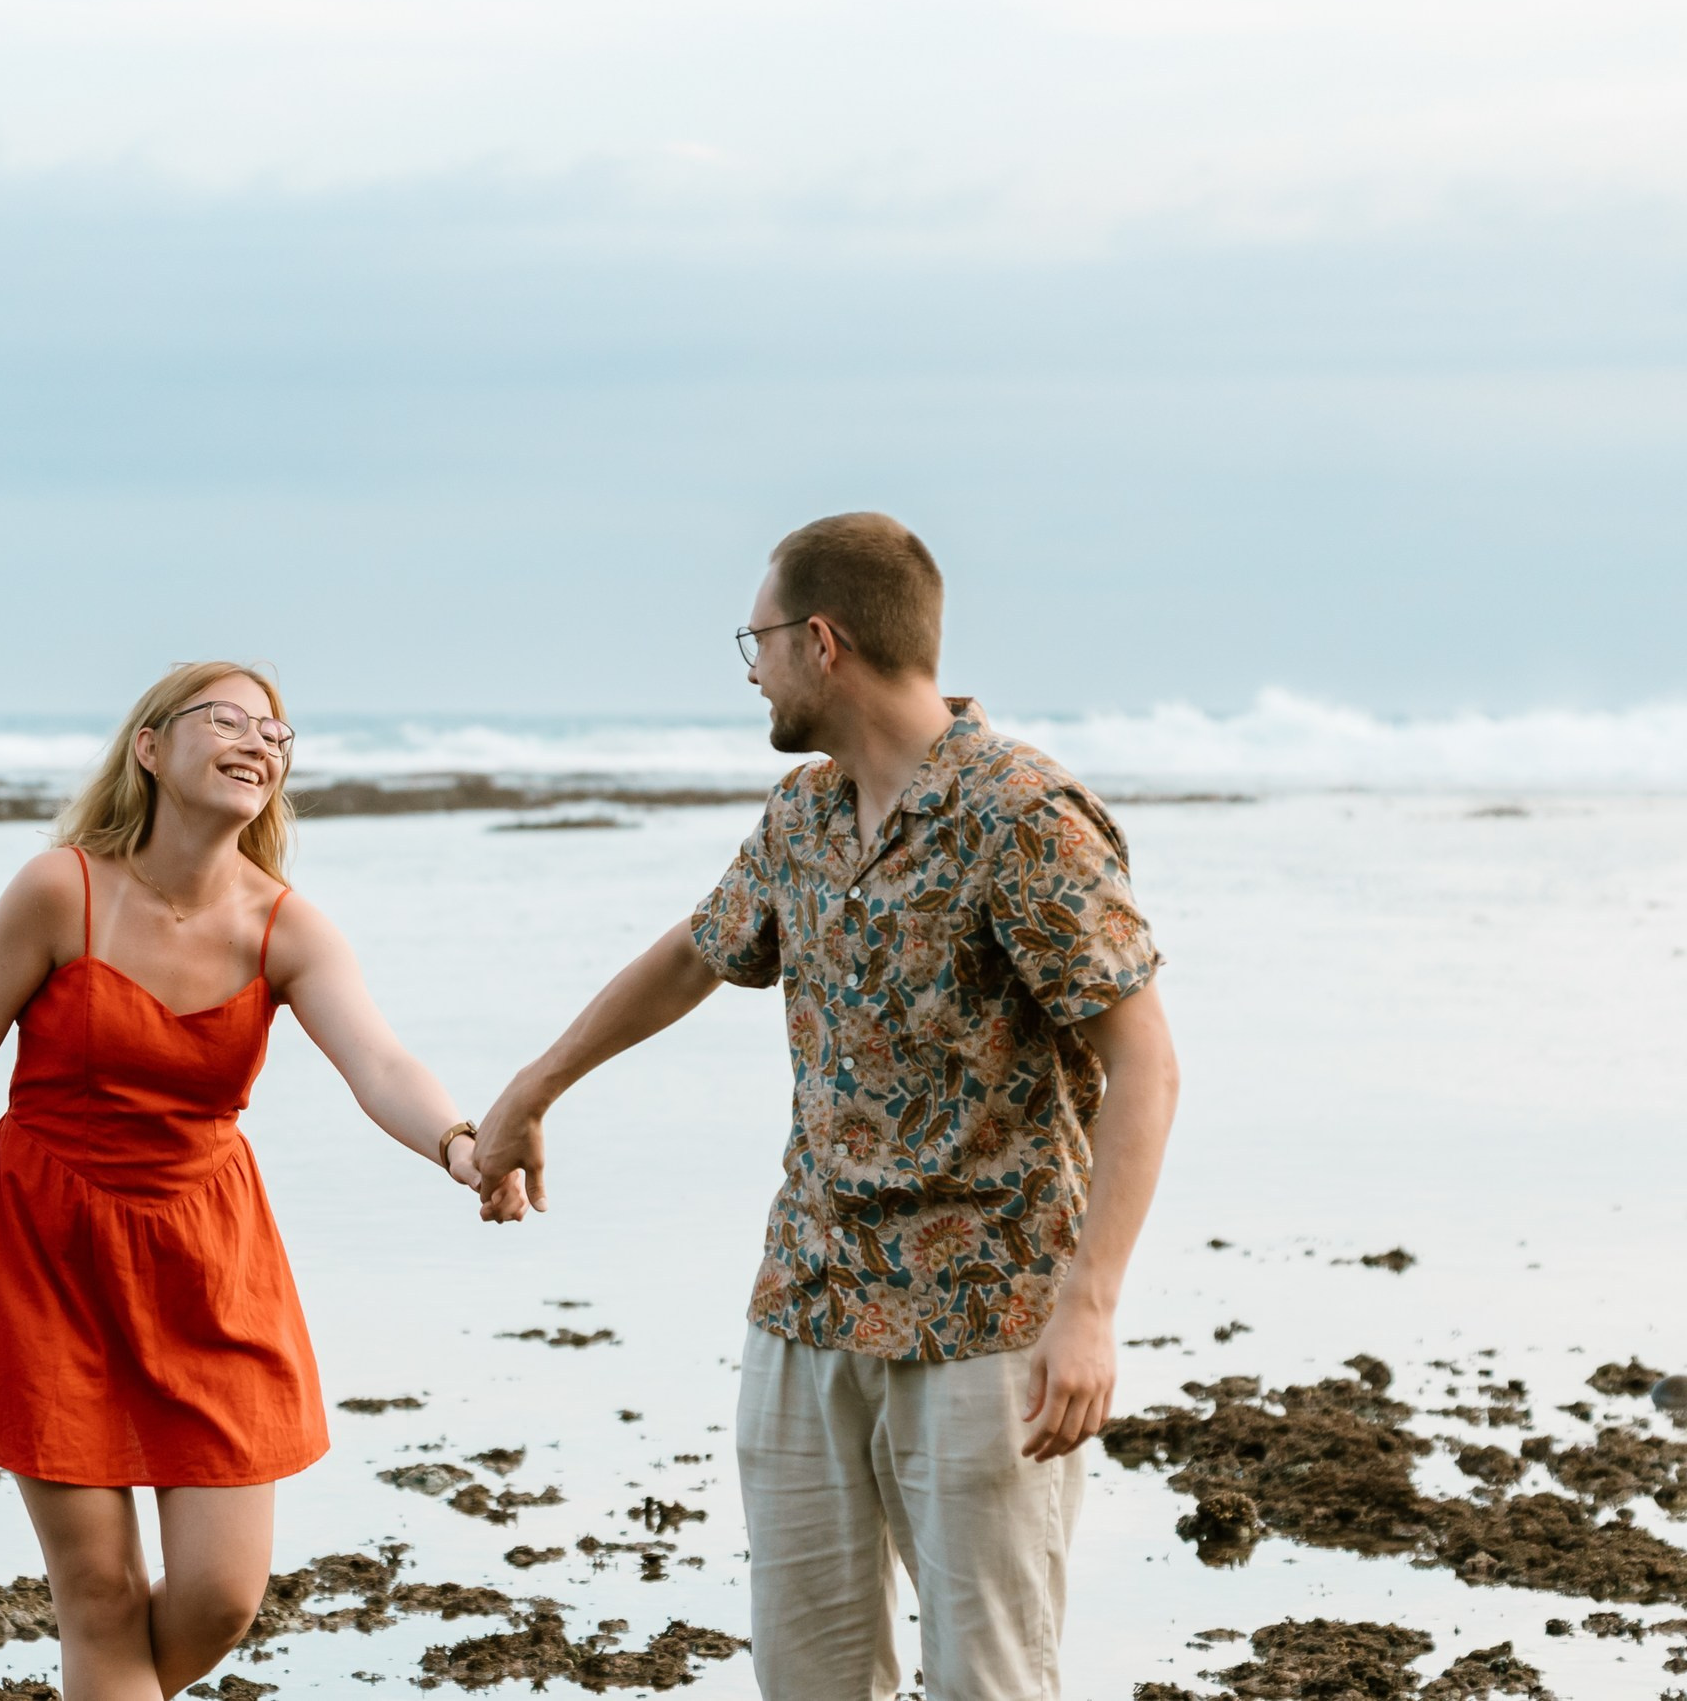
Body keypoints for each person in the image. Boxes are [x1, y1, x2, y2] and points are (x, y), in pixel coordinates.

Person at [473, 514, 1180, 1701]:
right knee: (807, 1673)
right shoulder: (802, 814)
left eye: (755, 644)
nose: (750, 673)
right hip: (808, 1294)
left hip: (987, 1315)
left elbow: (1145, 1064)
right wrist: (532, 1090)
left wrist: (1090, 1308)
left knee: (987, 1678)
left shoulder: (1021, 815)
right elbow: (695, 956)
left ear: (820, 641)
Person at [0, 660, 527, 1701]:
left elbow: (379, 1062)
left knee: (218, 1597)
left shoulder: (283, 925)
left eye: (277, 734)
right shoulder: (56, 890)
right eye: (228, 720)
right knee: (100, 1597)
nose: (259, 741)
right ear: (150, 748)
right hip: (40, 1250)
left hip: (209, 1265)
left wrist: (461, 1143)